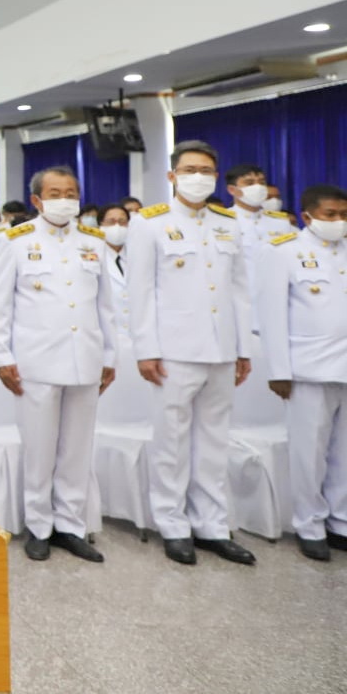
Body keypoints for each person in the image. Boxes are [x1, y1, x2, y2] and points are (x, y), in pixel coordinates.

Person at [127, 140, 255, 565]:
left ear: (216, 177)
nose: (198, 177)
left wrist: (243, 348)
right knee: (172, 442)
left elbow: (239, 291)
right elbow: (140, 292)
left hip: (222, 349)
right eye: (189, 170)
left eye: (206, 171)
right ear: (172, 176)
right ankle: (173, 524)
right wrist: (146, 349)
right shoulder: (149, 223)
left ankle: (212, 526)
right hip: (173, 350)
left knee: (215, 441)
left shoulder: (228, 223)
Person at [0, 166, 116, 562]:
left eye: (71, 193)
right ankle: (39, 526)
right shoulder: (16, 240)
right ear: (38, 200)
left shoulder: (94, 242)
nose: (65, 200)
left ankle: (70, 526)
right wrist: (3, 357)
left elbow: (106, 306)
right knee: (39, 449)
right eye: (55, 193)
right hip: (36, 361)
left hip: (85, 358)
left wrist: (110, 355)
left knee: (77, 449)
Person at [254, 184, 347, 561]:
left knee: (344, 453)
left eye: (344, 215)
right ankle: (309, 525)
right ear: (307, 216)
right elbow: (271, 315)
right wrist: (279, 370)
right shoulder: (284, 251)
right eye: (330, 215)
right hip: (308, 369)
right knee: (309, 454)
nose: (338, 221)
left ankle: (341, 522)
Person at [99, 204, 133, 338]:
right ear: (100, 225)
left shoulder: (138, 254)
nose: (117, 226)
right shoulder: (95, 256)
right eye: (111, 222)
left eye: (122, 221)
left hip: (136, 335)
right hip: (106, 335)